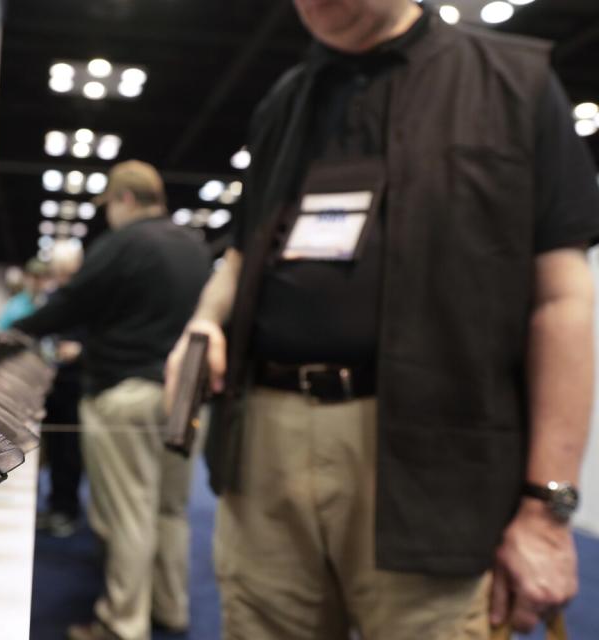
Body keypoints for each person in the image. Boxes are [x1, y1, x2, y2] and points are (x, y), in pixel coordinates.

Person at [164, 2, 599, 639]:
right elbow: (240, 252)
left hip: (433, 461)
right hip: (265, 443)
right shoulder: (285, 103)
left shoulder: (512, 80)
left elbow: (562, 301)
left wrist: (547, 509)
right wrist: (205, 321)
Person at [14, 160, 210, 640]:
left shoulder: (123, 243)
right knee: (170, 508)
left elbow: (72, 303)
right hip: (185, 394)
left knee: (128, 512)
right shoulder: (196, 247)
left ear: (123, 199)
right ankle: (172, 607)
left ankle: (124, 623)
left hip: (126, 393)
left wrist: (18, 329)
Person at [36, 240, 86, 538]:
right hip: (55, 384)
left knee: (69, 454)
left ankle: (67, 510)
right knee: (55, 453)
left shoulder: (87, 297)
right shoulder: (56, 295)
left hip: (76, 385)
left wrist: (79, 351)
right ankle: (56, 506)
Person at [0, 258, 48, 331]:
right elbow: (0, 329)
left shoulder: (46, 303)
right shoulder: (15, 304)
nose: (36, 282)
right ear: (26, 277)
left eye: (40, 278)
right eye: (34, 277)